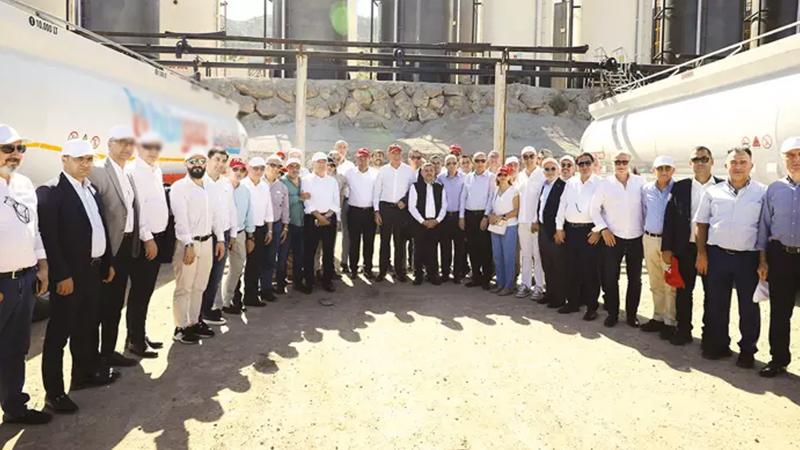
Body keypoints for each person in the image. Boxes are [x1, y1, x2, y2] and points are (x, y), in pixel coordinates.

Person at [38, 139, 118, 414]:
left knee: (86, 326)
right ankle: (54, 393)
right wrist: (61, 275)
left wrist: (107, 262)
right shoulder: (51, 192)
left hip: (93, 271)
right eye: (78, 159)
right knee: (59, 335)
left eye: (89, 159)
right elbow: (49, 239)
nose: (85, 164)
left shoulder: (91, 189)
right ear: (64, 160)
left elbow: (100, 227)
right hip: (70, 276)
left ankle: (83, 375)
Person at [695, 147, 766, 367]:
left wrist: (763, 261)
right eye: (733, 162)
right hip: (717, 256)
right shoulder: (712, 192)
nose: (738, 166)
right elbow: (701, 224)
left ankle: (747, 350)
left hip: (748, 258)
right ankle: (718, 345)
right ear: (726, 165)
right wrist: (701, 254)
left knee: (749, 307)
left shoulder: (762, 193)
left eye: (743, 162)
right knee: (716, 304)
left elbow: (765, 229)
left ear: (751, 165)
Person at [0, 124, 51, 424]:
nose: (16, 154)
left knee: (16, 347)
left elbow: (34, 229)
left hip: (25, 280)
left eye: (21, 148)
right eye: (8, 148)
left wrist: (42, 266)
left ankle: (14, 407)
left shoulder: (24, 184)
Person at [88, 125, 140, 368]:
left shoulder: (127, 173)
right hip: (109, 250)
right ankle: (94, 358)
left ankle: (108, 352)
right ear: (109, 144)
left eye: (130, 143)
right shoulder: (98, 171)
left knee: (116, 303)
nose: (126, 148)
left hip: (127, 247)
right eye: (121, 142)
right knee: (101, 306)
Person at [661, 146, 721, 346]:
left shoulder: (722, 187)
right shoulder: (681, 187)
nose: (700, 163)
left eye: (704, 159)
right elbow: (669, 218)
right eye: (696, 159)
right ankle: (683, 330)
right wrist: (666, 248)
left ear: (712, 161)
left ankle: (709, 335)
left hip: (711, 250)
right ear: (690, 163)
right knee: (684, 292)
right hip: (684, 248)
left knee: (712, 294)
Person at [169, 148, 226, 344]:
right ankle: (180, 327)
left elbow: (216, 215)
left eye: (201, 161)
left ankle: (194, 322)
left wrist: (220, 239)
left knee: (199, 286)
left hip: (208, 242)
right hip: (189, 244)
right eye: (193, 161)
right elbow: (180, 219)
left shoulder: (211, 187)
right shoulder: (179, 187)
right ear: (186, 164)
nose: (197, 165)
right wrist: (188, 244)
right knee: (184, 287)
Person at [757, 137, 800, 377]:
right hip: (781, 257)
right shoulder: (774, 189)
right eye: (790, 155)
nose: (796, 160)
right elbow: (764, 227)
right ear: (784, 159)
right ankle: (778, 360)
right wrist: (763, 260)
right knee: (780, 313)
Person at [125, 131, 169, 358]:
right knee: (140, 292)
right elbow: (137, 208)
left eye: (156, 147)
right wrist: (148, 238)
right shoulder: (134, 171)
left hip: (157, 237)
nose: (152, 152)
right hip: (145, 241)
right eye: (148, 147)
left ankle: (137, 335)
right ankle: (136, 341)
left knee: (145, 291)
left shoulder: (155, 169)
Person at [590, 150, 646, 328]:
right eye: (617, 162)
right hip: (613, 238)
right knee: (610, 278)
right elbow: (594, 209)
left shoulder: (640, 182)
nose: (621, 165)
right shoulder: (605, 184)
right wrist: (603, 229)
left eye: (624, 162)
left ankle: (631, 315)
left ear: (629, 163)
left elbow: (646, 207)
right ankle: (613, 314)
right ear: (613, 164)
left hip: (636, 238)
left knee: (635, 279)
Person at [555, 152, 602, 320]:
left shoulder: (600, 183)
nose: (584, 166)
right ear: (577, 166)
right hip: (571, 231)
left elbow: (605, 210)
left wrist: (598, 230)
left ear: (593, 164)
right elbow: (562, 205)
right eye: (581, 164)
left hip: (589, 231)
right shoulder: (571, 183)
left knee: (590, 271)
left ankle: (591, 307)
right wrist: (559, 228)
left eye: (587, 163)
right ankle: (572, 303)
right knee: (571, 268)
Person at [640, 155, 677, 339]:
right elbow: (644, 212)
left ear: (673, 170)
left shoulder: (678, 189)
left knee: (670, 283)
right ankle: (658, 317)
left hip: (668, 243)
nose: (663, 172)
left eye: (667, 168)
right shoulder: (646, 189)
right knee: (655, 281)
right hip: (649, 239)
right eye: (660, 168)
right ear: (653, 170)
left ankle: (670, 321)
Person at [199, 148, 236, 326]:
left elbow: (231, 209)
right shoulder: (201, 182)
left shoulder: (226, 183)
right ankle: (198, 315)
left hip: (225, 234)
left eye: (223, 161)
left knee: (216, 275)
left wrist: (233, 234)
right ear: (208, 160)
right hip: (208, 235)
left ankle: (208, 310)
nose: (220, 164)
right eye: (217, 159)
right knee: (203, 276)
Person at [373, 144, 416, 282]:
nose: (396, 156)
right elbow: (377, 192)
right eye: (393, 153)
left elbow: (413, 190)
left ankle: (400, 272)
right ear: (388, 154)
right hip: (385, 208)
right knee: (384, 241)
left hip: (400, 209)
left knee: (399, 242)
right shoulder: (383, 170)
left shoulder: (409, 171)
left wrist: (405, 201)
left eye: (398, 153)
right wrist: (376, 211)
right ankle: (382, 271)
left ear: (401, 154)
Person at [301, 152, 341, 293]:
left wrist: (327, 216)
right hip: (312, 218)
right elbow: (307, 202)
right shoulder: (306, 180)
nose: (322, 164)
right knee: (309, 252)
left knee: (328, 252)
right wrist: (319, 217)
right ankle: (309, 281)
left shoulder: (332, 181)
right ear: (313, 163)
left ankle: (327, 281)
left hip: (329, 218)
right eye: (319, 161)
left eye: (324, 162)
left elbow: (336, 201)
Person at [221, 158, 255, 315]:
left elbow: (249, 213)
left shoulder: (245, 191)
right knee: (217, 272)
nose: (239, 172)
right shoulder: (221, 187)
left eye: (242, 170)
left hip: (240, 233)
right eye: (235, 169)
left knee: (236, 269)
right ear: (229, 170)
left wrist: (250, 236)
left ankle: (227, 301)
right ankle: (215, 305)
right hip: (222, 234)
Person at [534, 158, 567, 308]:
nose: (550, 172)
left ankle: (559, 298)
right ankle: (550, 293)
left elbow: (563, 210)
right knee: (546, 264)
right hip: (543, 230)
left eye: (553, 168)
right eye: (547, 169)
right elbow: (541, 206)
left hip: (555, 231)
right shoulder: (544, 185)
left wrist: (559, 230)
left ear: (558, 170)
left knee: (558, 265)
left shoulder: (563, 186)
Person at [240, 157, 274, 307]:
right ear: (249, 168)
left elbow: (268, 209)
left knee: (255, 264)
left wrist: (270, 230)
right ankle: (234, 299)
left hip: (260, 229)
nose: (258, 171)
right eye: (255, 168)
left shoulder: (265, 186)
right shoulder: (242, 185)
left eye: (261, 168)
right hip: (244, 230)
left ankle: (251, 297)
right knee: (238, 265)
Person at [515, 146, 546, 300]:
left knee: (537, 255)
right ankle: (525, 284)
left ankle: (539, 286)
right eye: (525, 157)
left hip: (535, 222)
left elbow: (542, 200)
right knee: (525, 255)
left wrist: (537, 220)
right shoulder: (520, 176)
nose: (528, 159)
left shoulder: (542, 175)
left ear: (536, 158)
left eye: (531, 156)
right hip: (522, 221)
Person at [409, 162, 447, 285]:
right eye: (426, 170)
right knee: (418, 250)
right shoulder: (415, 187)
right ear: (421, 173)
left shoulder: (440, 187)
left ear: (435, 172)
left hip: (435, 223)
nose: (429, 173)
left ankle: (433, 275)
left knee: (433, 250)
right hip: (419, 223)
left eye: (431, 170)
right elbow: (412, 207)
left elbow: (444, 206)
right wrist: (423, 221)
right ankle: (418, 275)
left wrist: (437, 220)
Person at [460, 152, 493, 290]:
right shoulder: (468, 177)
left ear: (486, 162)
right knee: (472, 248)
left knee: (485, 248)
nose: (480, 163)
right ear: (473, 162)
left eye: (482, 160)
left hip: (482, 215)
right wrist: (461, 217)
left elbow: (491, 197)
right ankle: (476, 277)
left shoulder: (491, 177)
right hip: (469, 216)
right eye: (477, 160)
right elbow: (463, 197)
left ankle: (486, 278)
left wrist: (486, 216)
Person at [345, 148, 378, 279]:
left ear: (369, 159)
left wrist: (377, 211)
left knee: (369, 242)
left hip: (369, 212)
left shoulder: (375, 173)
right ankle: (353, 268)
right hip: (354, 211)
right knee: (354, 242)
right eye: (360, 158)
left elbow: (377, 193)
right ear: (356, 159)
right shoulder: (349, 173)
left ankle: (367, 268)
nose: (362, 160)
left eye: (365, 157)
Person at [488, 165, 519, 296]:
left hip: (509, 226)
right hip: (496, 226)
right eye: (500, 175)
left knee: (508, 256)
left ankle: (509, 285)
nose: (502, 177)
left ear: (510, 176)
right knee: (497, 256)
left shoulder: (514, 191)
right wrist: (492, 216)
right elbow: (493, 207)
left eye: (505, 175)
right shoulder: (496, 190)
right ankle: (500, 283)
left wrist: (502, 217)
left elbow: (516, 211)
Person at [262, 155, 289, 299]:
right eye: (271, 165)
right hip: (259, 226)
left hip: (277, 225)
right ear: (266, 166)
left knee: (271, 258)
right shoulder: (257, 183)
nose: (274, 168)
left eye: (277, 166)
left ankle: (266, 289)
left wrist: (285, 227)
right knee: (256, 259)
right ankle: (253, 289)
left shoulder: (282, 187)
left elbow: (285, 208)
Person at [278, 158, 307, 293]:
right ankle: (280, 283)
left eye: (297, 167)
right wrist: (299, 198)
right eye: (291, 166)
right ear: (287, 168)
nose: (294, 169)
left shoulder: (303, 181)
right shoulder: (282, 182)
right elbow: (282, 201)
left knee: (299, 254)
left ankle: (297, 282)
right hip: (287, 224)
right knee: (283, 255)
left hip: (301, 223)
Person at [437, 154, 466, 283]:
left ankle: (457, 274)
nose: (451, 165)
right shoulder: (440, 178)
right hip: (445, 217)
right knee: (445, 247)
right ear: (445, 165)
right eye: (448, 163)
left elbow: (465, 198)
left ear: (457, 164)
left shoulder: (464, 178)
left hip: (458, 216)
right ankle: (445, 273)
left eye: (454, 163)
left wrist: (462, 217)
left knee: (459, 247)